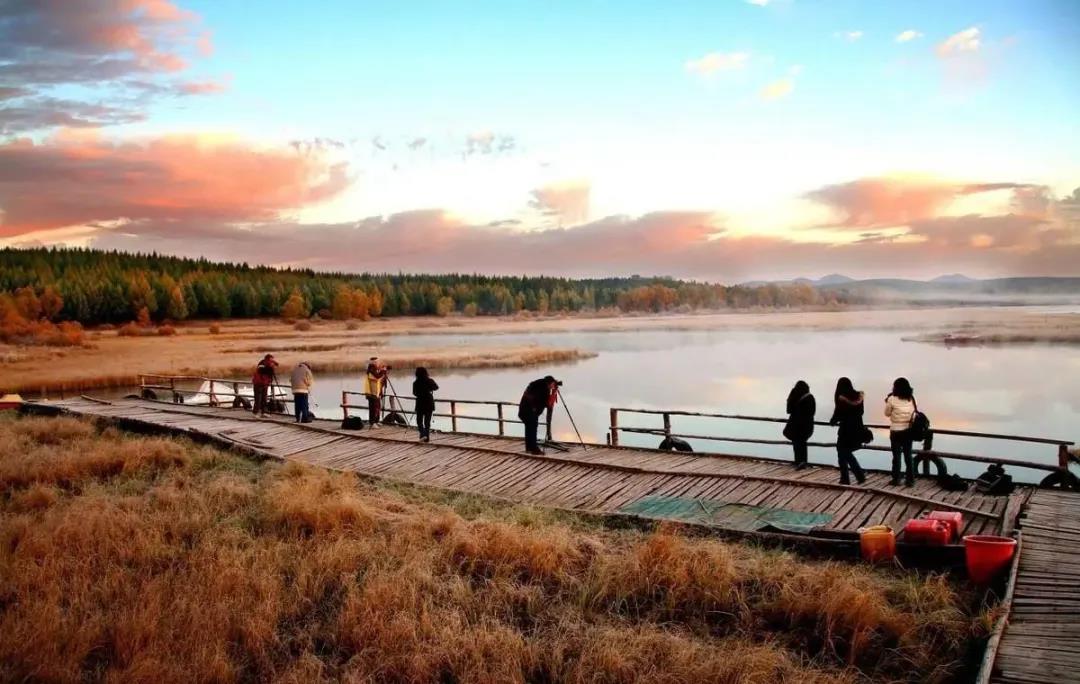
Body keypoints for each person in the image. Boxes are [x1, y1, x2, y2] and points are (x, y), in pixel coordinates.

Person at [829, 377, 867, 485]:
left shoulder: (841, 398)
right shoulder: (859, 397)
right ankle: (853, 477)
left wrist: (832, 421)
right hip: (857, 428)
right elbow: (861, 412)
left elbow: (838, 413)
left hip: (846, 429)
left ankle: (851, 477)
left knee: (842, 451)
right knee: (845, 452)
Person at [885, 377, 917, 487]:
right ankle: (910, 480)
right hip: (908, 430)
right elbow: (914, 413)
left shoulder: (891, 399)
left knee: (896, 456)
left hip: (895, 431)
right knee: (908, 456)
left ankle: (896, 479)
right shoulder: (911, 398)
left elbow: (887, 413)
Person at [519, 376, 559, 455]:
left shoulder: (537, 385)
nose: (553, 386)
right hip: (530, 411)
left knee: (529, 429)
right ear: (550, 383)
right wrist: (554, 393)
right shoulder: (544, 389)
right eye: (553, 384)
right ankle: (534, 449)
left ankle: (529, 448)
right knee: (532, 429)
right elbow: (547, 404)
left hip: (524, 410)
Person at [784, 380, 815, 470]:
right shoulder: (810, 397)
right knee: (802, 443)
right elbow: (812, 412)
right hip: (807, 426)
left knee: (797, 444)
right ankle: (803, 462)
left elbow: (789, 410)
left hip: (796, 426)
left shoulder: (796, 398)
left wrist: (791, 395)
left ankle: (798, 461)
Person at [412, 367, 439, 441]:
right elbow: (436, 387)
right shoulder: (430, 380)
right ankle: (426, 437)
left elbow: (414, 393)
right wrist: (429, 389)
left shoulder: (415, 383)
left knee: (419, 421)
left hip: (420, 403)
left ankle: (422, 434)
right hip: (429, 403)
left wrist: (420, 393)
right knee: (427, 422)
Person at [363, 357, 388, 426]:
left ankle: (376, 421)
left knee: (378, 407)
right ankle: (372, 422)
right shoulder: (371, 371)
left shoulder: (376, 370)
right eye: (377, 362)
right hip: (372, 393)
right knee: (373, 408)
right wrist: (383, 371)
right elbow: (377, 377)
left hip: (377, 392)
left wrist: (384, 375)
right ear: (373, 363)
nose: (378, 363)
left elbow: (380, 381)